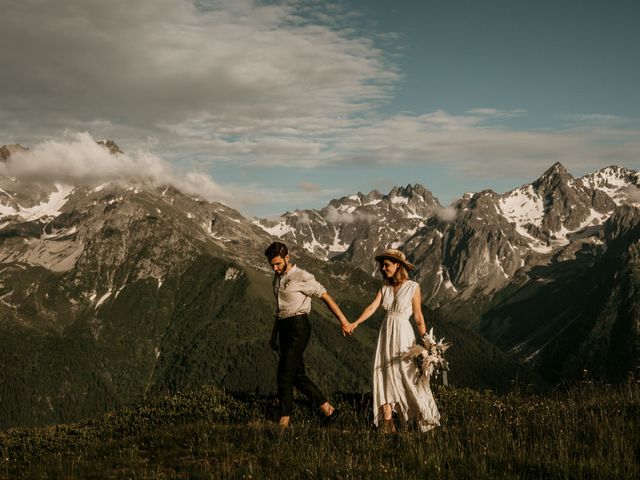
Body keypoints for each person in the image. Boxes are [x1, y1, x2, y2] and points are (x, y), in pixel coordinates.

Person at [350, 248, 440, 433]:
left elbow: (418, 317)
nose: (383, 268)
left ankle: (421, 416)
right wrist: (355, 323)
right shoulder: (385, 288)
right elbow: (371, 307)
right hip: (385, 334)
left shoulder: (413, 287)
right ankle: (387, 422)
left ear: (397, 265)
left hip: (403, 334)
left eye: (387, 265)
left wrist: (428, 344)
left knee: (407, 374)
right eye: (382, 265)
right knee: (383, 372)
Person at [265, 241, 351, 428]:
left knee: (284, 374)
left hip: (298, 326)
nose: (275, 267)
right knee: (297, 375)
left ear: (287, 257)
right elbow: (279, 310)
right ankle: (330, 411)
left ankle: (284, 420)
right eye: (272, 264)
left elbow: (325, 296)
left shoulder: (302, 276)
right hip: (284, 327)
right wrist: (274, 335)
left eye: (278, 263)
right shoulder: (277, 278)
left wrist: (343, 321)